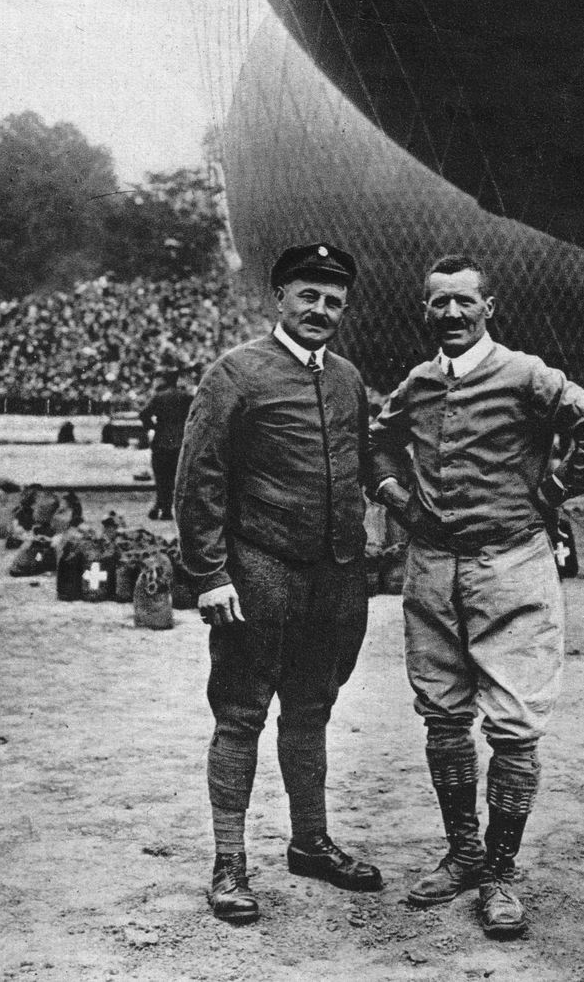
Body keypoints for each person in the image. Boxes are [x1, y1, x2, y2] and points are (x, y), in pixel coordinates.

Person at [369, 254, 584, 937]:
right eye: (439, 304)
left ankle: (501, 871)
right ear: (425, 311)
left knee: (514, 726)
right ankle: (462, 850)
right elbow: (377, 441)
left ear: (490, 307)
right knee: (442, 713)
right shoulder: (420, 381)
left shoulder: (525, 373)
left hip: (510, 565)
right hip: (432, 566)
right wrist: (397, 497)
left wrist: (549, 491)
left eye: (464, 302)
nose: (451, 314)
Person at [174, 242, 382, 925]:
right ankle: (229, 861)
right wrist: (208, 573)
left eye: (333, 301)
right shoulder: (234, 373)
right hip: (258, 569)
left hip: (333, 575)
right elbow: (198, 479)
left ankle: (311, 841)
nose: (321, 310)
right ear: (280, 299)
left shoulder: (349, 378)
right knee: (240, 712)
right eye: (309, 296)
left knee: (312, 709)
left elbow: (361, 463)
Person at [139, 368, 193, 520]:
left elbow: (143, 414)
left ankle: (164, 508)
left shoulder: (159, 397)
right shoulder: (186, 397)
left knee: (162, 477)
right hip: (181, 441)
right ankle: (173, 509)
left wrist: (153, 427)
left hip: (162, 440)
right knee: (178, 478)